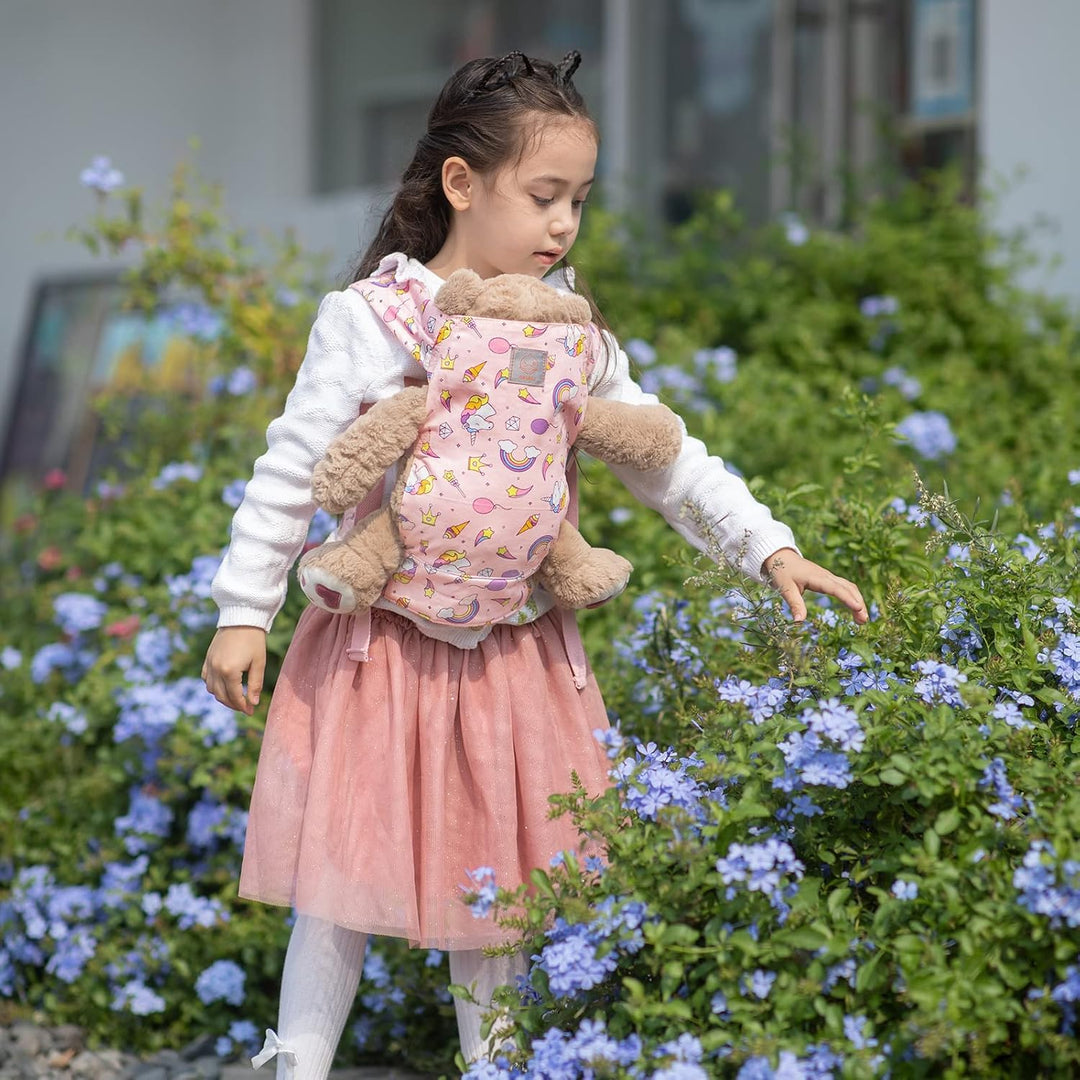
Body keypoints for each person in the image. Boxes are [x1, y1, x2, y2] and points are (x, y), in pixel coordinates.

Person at [202, 49, 868, 1079]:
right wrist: (244, 609)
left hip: (512, 655)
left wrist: (769, 545)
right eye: (544, 195)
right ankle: (299, 1064)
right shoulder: (375, 320)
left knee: (496, 890)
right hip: (379, 650)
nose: (564, 225)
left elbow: (664, 455)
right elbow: (297, 470)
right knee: (340, 880)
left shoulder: (571, 332)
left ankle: (498, 1067)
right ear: (462, 184)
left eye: (580, 202)